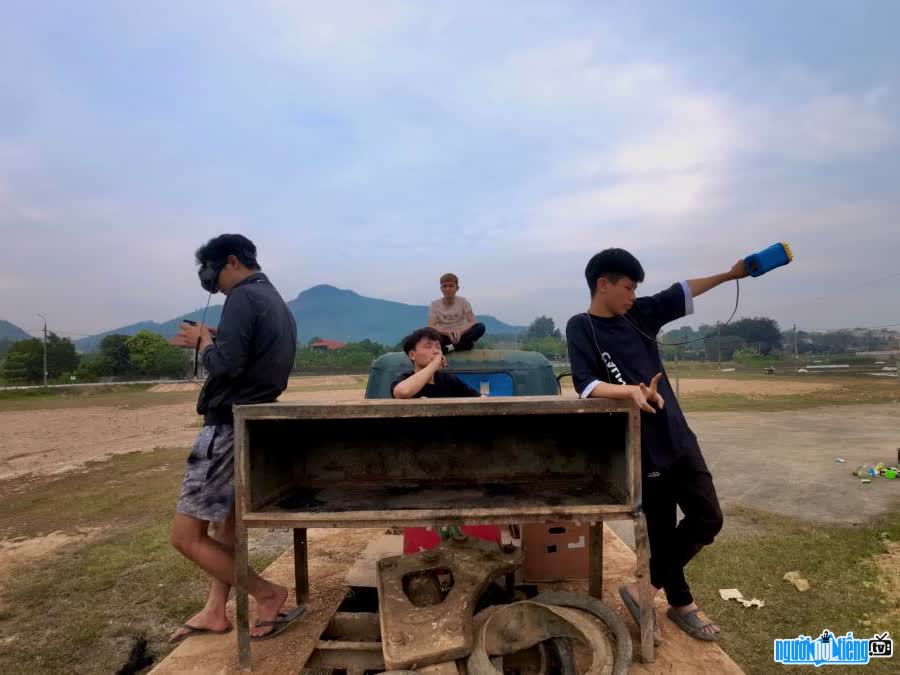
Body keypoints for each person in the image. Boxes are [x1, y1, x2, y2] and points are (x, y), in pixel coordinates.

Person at [565, 248, 749, 643]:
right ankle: (681, 604)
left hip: (676, 436)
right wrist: (629, 390)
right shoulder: (580, 327)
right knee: (662, 534)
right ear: (603, 284)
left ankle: (642, 590)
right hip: (638, 446)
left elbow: (682, 289)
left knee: (707, 517)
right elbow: (585, 384)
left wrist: (730, 274)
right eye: (628, 287)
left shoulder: (641, 313)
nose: (633, 294)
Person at [168, 234, 300, 643]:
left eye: (212, 274)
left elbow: (226, 365)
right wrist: (218, 336)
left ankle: (268, 593)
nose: (214, 285)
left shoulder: (242, 296)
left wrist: (204, 342)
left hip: (224, 425)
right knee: (226, 528)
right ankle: (213, 611)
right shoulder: (274, 300)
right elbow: (249, 355)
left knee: (186, 537)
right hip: (247, 423)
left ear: (231, 261)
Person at [392, 327, 481, 398]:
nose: (436, 351)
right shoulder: (404, 379)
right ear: (412, 355)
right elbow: (402, 392)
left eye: (438, 347)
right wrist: (434, 365)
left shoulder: (449, 381)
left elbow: (479, 398)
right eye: (428, 346)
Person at [428, 273, 485, 352]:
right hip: (444, 336)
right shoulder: (435, 304)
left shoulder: (463, 302)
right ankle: (463, 345)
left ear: (457, 288)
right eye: (445, 286)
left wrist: (460, 332)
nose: (448, 289)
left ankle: (449, 348)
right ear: (441, 288)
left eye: (451, 286)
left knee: (480, 327)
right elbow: (431, 325)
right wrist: (447, 333)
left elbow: (472, 321)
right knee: (427, 332)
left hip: (461, 335)